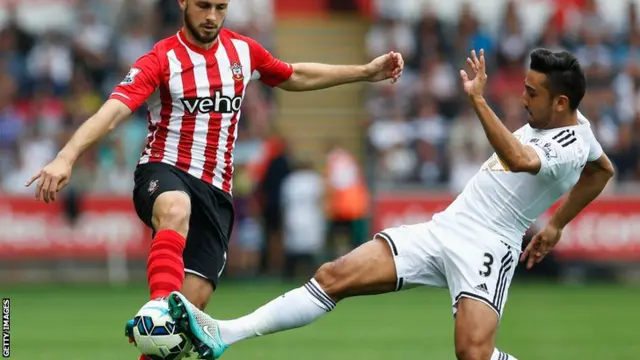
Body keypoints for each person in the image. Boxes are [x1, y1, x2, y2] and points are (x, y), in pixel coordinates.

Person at [164, 48, 616, 360]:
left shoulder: (572, 144)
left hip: (489, 245)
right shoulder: (583, 133)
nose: (522, 98)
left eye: (532, 93)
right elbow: (604, 171)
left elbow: (519, 159)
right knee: (332, 275)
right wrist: (555, 225)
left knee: (472, 353)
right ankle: (224, 333)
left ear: (560, 102)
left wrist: (478, 100)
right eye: (525, 86)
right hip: (447, 227)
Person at [23, 0, 404, 358]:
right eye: (203, 5)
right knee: (175, 208)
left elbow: (294, 74)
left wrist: (366, 72)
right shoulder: (160, 59)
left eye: (220, 7)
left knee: (187, 318)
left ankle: (159, 323)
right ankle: (158, 305)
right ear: (183, 3)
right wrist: (66, 157)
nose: (211, 15)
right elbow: (113, 111)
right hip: (163, 169)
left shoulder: (243, 52)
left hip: (217, 193)